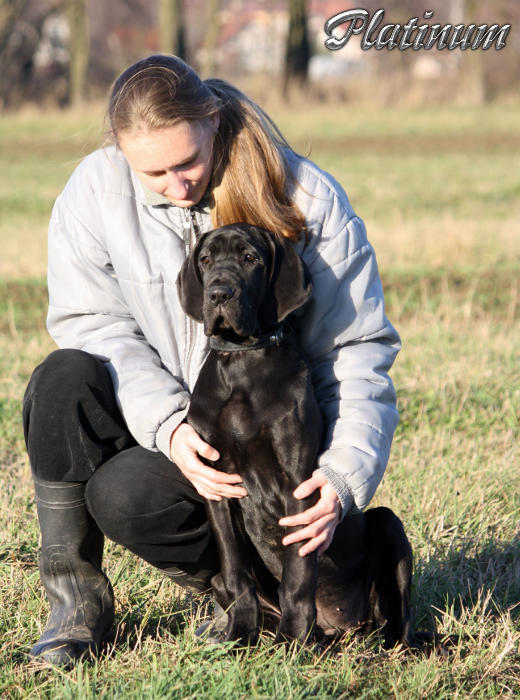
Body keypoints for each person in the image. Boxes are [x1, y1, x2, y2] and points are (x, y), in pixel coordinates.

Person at [23, 54, 401, 665]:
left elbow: (356, 349)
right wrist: (170, 426)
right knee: (64, 383)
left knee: (123, 490)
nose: (177, 186)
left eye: (188, 162)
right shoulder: (93, 193)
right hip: (180, 427)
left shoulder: (304, 195)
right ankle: (78, 606)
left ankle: (267, 597)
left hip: (279, 450)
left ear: (213, 122)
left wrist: (341, 476)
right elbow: (92, 325)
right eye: (153, 173)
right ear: (120, 151)